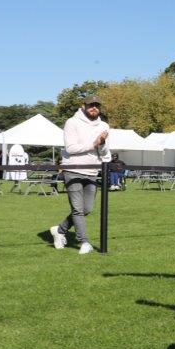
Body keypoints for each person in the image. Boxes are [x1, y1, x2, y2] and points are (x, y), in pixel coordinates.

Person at [50, 94, 111, 254]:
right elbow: (71, 148)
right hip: (73, 169)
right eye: (91, 105)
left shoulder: (104, 125)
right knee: (77, 209)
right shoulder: (72, 122)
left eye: (97, 105)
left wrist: (102, 143)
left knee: (87, 209)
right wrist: (94, 143)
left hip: (92, 171)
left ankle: (60, 230)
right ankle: (84, 242)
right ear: (83, 106)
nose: (94, 108)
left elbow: (104, 151)